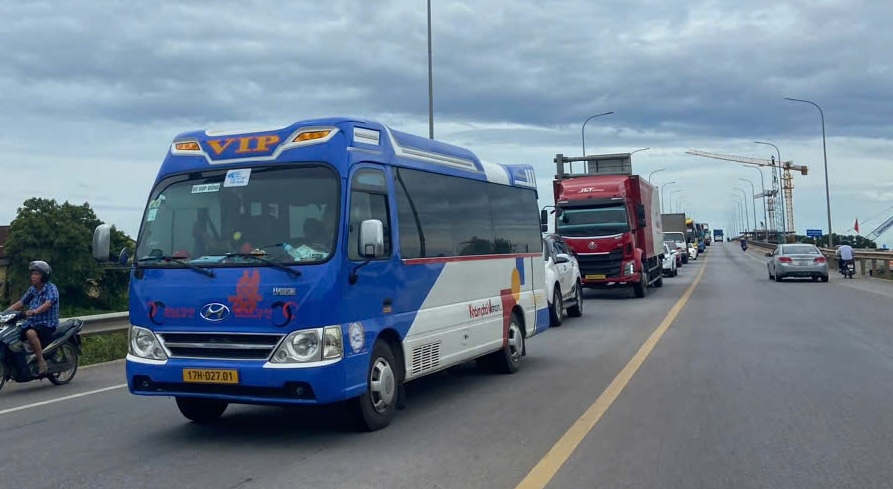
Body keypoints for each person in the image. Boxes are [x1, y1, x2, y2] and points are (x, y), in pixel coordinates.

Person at [2, 261, 59, 375]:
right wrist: (4, 313)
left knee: (30, 333)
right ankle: (23, 360)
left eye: (37, 274)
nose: (33, 276)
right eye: (32, 274)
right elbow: (21, 302)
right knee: (15, 334)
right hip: (32, 322)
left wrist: (35, 311)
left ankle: (41, 361)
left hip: (47, 323)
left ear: (44, 276)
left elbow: (49, 303)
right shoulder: (33, 289)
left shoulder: (51, 288)